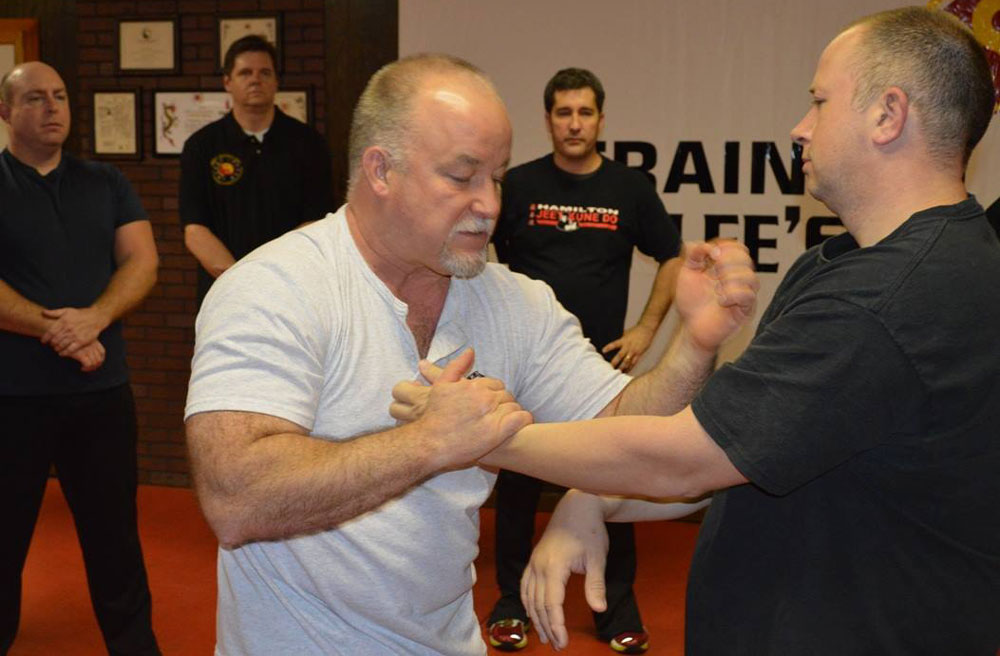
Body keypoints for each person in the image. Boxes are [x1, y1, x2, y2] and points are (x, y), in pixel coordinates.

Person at [184, 53, 757, 655]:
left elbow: (637, 436)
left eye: (498, 176)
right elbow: (236, 498)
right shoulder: (276, 286)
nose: (489, 204)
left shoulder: (513, 302)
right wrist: (429, 443)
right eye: (462, 177)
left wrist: (694, 342)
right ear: (380, 171)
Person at [482, 7, 1000, 655]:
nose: (800, 128)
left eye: (819, 102)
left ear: (887, 115)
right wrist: (592, 500)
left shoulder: (889, 297)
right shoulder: (852, 265)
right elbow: (743, 452)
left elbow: (685, 460)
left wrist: (484, 438)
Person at [487, 67, 683, 653]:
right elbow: (477, 255)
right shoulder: (516, 186)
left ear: (601, 119)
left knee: (611, 480)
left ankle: (612, 609)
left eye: (585, 112)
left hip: (598, 375)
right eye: (563, 112)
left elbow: (672, 257)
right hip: (526, 367)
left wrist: (647, 328)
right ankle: (510, 603)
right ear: (547, 119)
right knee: (519, 485)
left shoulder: (628, 189)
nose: (574, 123)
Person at [0, 62, 161, 655]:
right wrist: (59, 329)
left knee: (114, 539)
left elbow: (142, 262)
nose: (52, 108)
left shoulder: (107, 182)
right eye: (35, 98)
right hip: (11, 399)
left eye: (60, 96)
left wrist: (93, 319)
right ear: (5, 112)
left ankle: (136, 647)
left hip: (101, 396)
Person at [180, 34, 333, 304]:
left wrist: (274, 277)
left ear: (276, 81)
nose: (255, 79)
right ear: (227, 81)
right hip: (224, 291)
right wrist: (241, 280)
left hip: (293, 290)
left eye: (265, 72)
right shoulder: (201, 146)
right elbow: (195, 230)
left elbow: (317, 223)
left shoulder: (309, 143)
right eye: (245, 73)